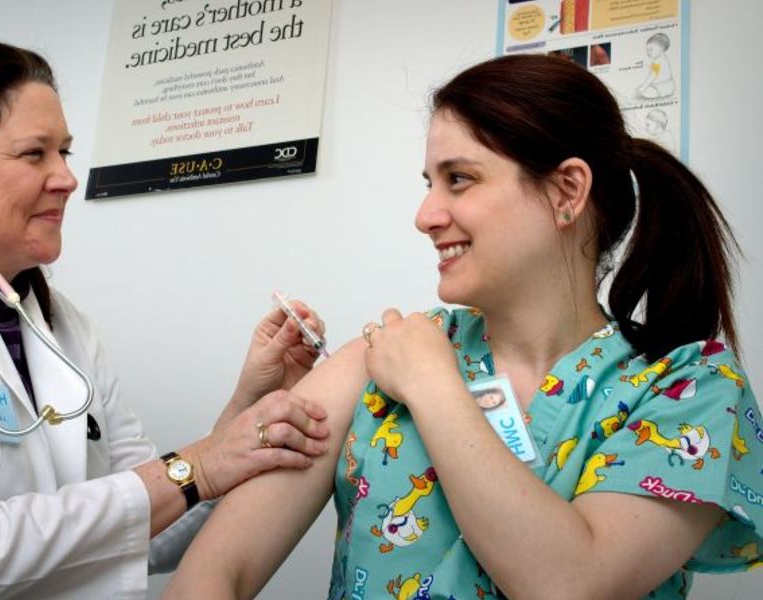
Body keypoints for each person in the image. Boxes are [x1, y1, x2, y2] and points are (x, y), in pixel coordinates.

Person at [164, 53, 762, 599]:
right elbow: (217, 572)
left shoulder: (688, 386)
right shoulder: (382, 357)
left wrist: (432, 385)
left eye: (460, 178)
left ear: (567, 192)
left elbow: (573, 584)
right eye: (430, 184)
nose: (426, 216)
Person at [0, 35, 331, 599]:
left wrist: (245, 414)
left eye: (64, 152)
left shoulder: (58, 326)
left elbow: (153, 533)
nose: (67, 178)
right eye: (34, 153)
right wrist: (203, 463)